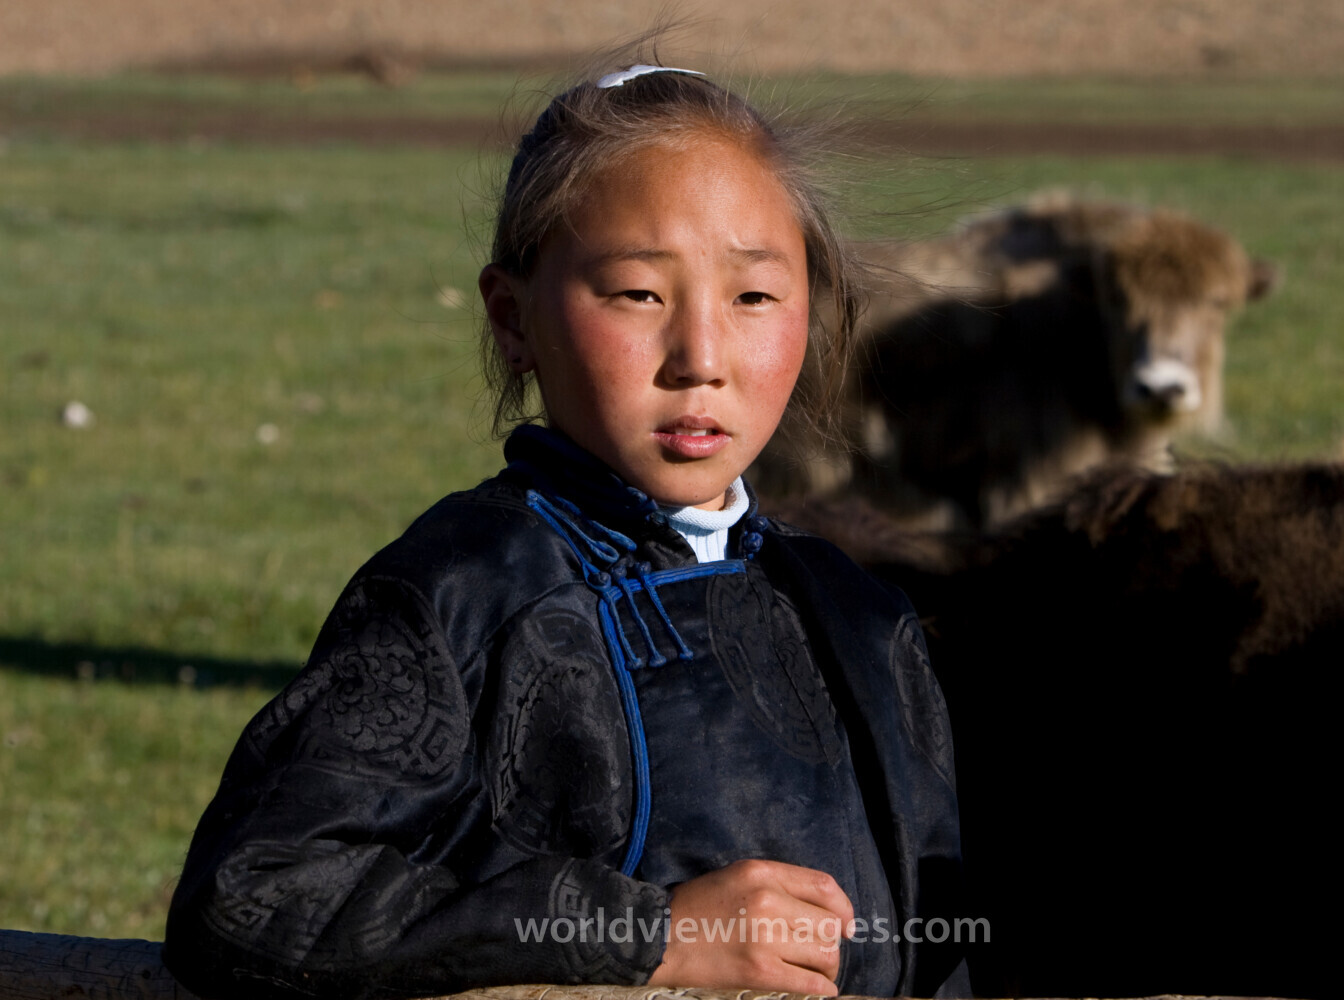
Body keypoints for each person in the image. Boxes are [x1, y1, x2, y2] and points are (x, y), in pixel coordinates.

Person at [163, 61, 964, 1000]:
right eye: (637, 294)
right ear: (513, 319)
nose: (701, 358)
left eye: (753, 297)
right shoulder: (464, 592)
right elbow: (249, 902)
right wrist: (646, 935)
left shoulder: (861, 615)